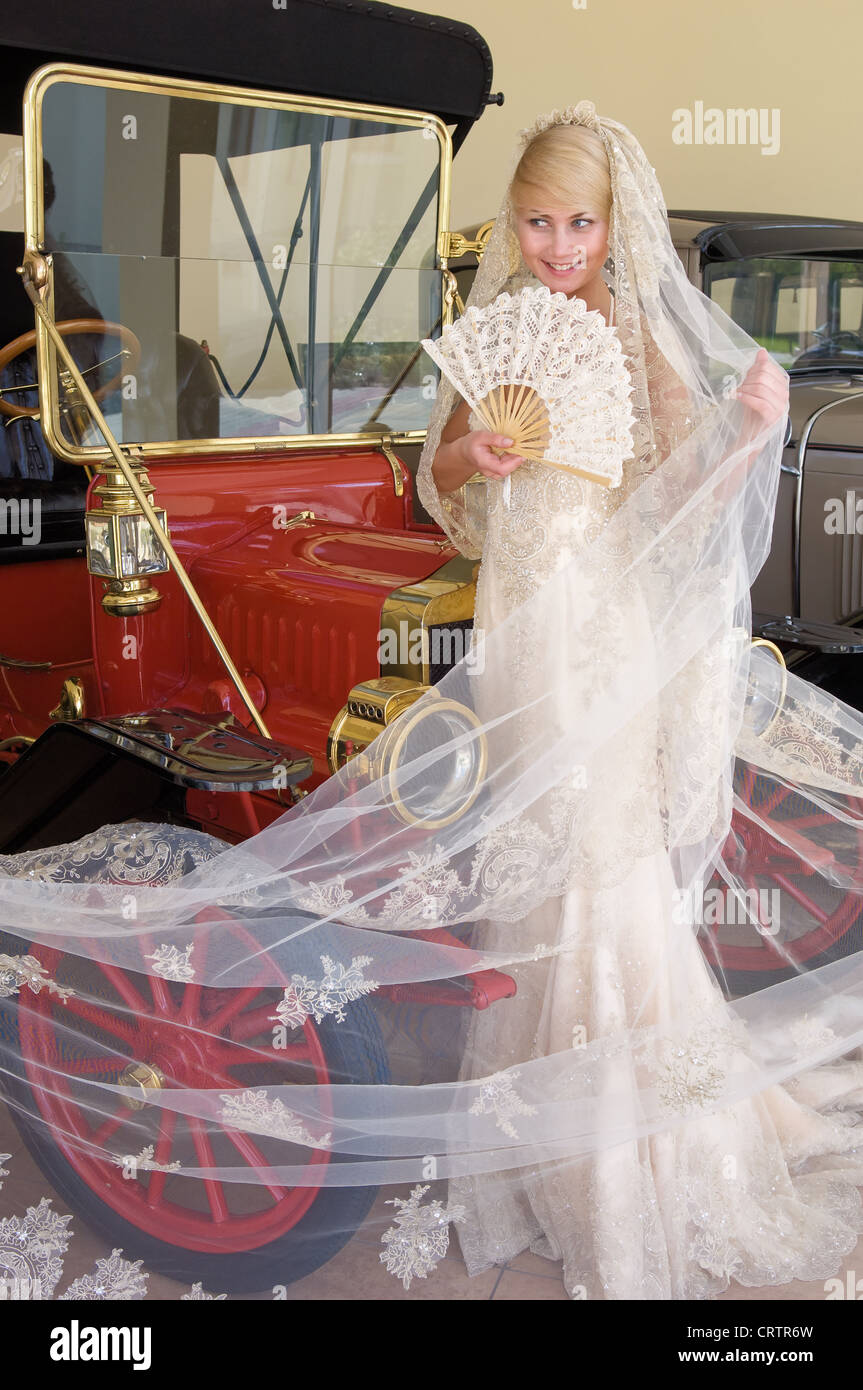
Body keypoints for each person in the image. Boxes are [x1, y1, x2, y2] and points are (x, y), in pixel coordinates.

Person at [5, 104, 863, 1303]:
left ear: (612, 227)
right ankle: (543, 1110)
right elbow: (442, 481)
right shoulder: (487, 328)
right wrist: (476, 460)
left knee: (601, 871)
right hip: (515, 615)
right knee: (532, 856)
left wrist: (749, 432)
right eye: (536, 221)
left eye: (577, 223)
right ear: (511, 226)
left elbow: (680, 491)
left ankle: (624, 1147)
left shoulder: (631, 336)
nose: (558, 243)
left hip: (595, 623)